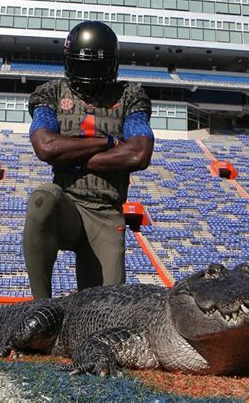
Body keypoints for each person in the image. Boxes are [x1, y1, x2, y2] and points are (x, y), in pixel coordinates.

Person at [23, 21, 154, 299]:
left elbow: (139, 152)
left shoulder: (130, 95)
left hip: (106, 211)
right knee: (42, 200)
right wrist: (107, 143)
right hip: (67, 205)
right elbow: (46, 146)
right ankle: (41, 306)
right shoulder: (51, 93)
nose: (89, 75)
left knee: (105, 310)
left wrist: (69, 159)